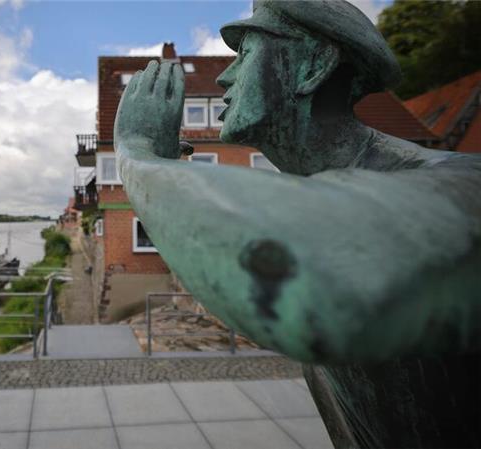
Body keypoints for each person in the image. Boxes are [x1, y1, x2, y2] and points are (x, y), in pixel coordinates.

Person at [113, 1, 480, 447]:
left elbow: (308, 277)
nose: (227, 77)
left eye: (245, 54)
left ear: (315, 65)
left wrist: (136, 154)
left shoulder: (460, 185)